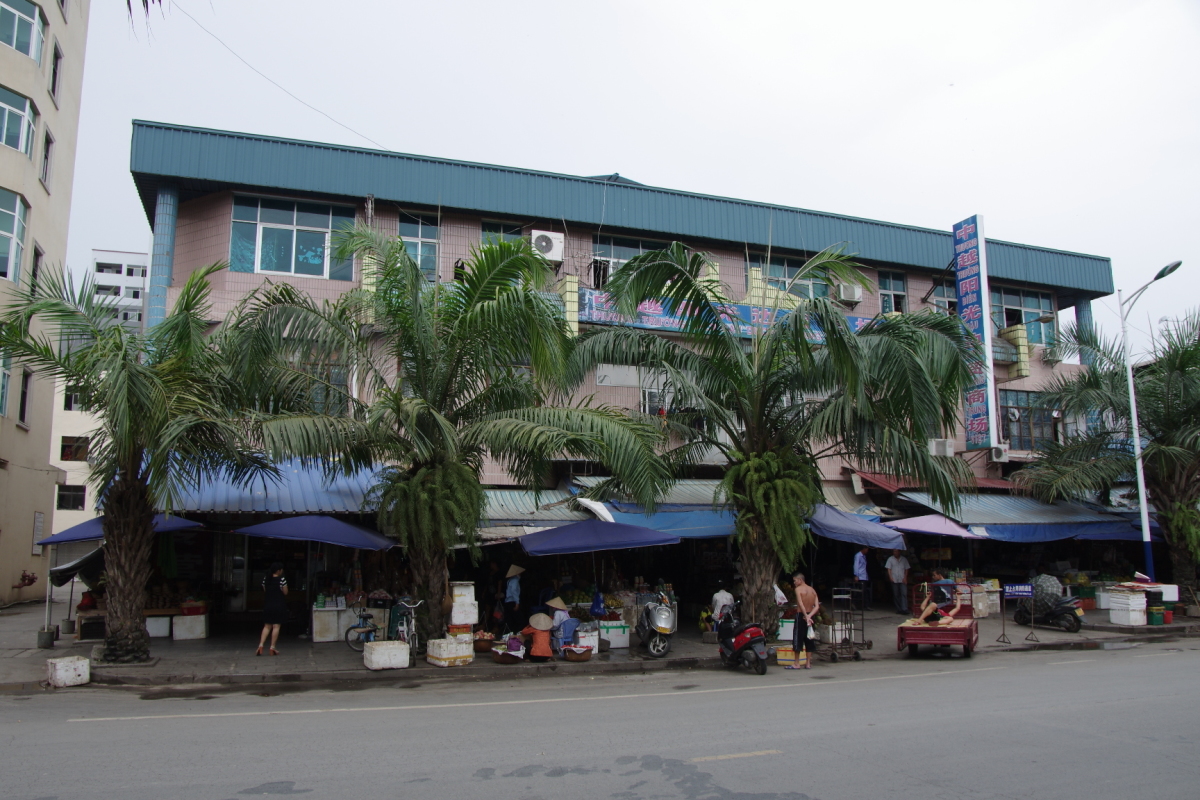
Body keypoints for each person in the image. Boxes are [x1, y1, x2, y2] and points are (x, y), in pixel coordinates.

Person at [789, 572, 819, 670]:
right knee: (809, 638)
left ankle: (796, 663)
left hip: (801, 615)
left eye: (795, 580)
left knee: (798, 638)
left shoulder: (798, 589)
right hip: (811, 616)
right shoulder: (812, 590)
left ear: (800, 580)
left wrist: (806, 616)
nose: (794, 583)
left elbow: (800, 604)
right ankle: (808, 663)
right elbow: (817, 606)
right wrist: (810, 616)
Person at [256, 562, 288, 656]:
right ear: (278, 571)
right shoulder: (281, 580)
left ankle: (261, 645)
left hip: (268, 605)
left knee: (267, 626)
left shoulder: (266, 579)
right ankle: (272, 647)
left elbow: (265, 590)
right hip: (278, 605)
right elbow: (285, 592)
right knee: (276, 626)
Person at [884, 548, 911, 614]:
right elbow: (889, 569)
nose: (895, 553)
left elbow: (906, 569)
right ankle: (899, 609)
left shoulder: (904, 559)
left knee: (904, 594)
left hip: (902, 579)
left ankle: (904, 609)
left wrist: (905, 577)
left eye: (896, 551)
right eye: (894, 551)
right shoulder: (890, 559)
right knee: (896, 595)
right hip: (894, 579)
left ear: (899, 552)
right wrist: (890, 577)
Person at [504, 565, 524, 632]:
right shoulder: (515, 580)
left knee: (510, 619)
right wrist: (517, 603)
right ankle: (516, 633)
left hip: (508, 601)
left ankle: (510, 633)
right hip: (512, 601)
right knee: (519, 620)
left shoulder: (510, 580)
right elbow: (514, 591)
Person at [853, 546, 873, 611]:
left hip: (864, 576)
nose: (867, 551)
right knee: (861, 591)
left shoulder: (864, 556)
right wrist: (856, 575)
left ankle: (866, 605)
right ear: (864, 549)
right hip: (860, 576)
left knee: (864, 591)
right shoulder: (858, 556)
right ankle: (854, 603)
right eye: (867, 549)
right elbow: (856, 565)